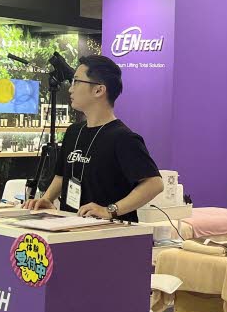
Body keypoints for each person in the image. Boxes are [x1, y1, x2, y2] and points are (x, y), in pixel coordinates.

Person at [23, 55, 163, 220]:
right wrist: (47, 199)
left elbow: (154, 184)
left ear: (98, 90)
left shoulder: (123, 138)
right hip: (71, 225)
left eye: (76, 81)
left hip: (107, 231)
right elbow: (61, 175)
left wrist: (110, 210)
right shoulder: (73, 132)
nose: (70, 89)